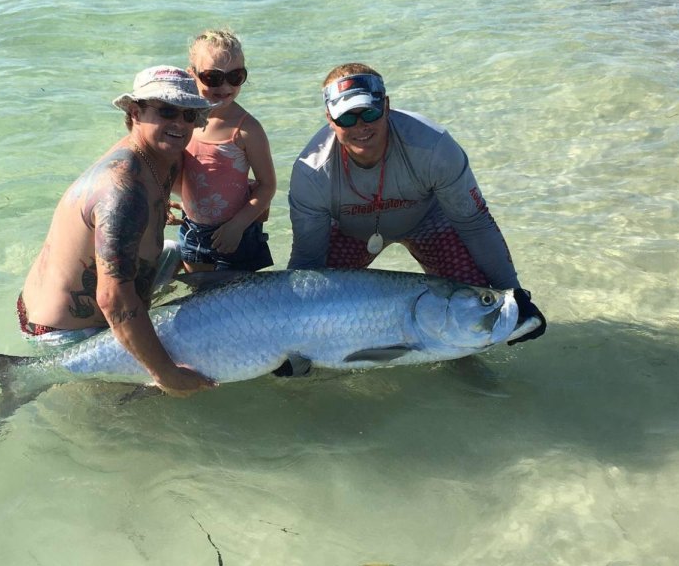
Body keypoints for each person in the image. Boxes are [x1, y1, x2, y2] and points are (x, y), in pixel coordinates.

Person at [287, 63, 546, 344]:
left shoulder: (433, 146)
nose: (360, 127)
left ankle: (463, 369)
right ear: (329, 117)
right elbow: (308, 265)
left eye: (370, 113)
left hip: (428, 222)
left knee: (475, 307)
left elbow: (474, 223)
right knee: (320, 315)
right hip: (351, 233)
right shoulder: (311, 172)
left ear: (386, 106)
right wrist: (286, 335)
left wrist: (515, 294)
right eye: (346, 118)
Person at [17, 66, 218, 397]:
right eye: (167, 111)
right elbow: (113, 298)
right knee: (152, 407)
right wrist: (166, 374)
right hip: (64, 334)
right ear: (135, 113)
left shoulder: (159, 156)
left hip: (56, 305)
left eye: (189, 114)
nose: (180, 124)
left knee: (179, 248)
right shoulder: (123, 186)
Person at [175, 28, 276, 272]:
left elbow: (267, 185)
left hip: (237, 232)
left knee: (241, 301)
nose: (225, 86)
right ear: (192, 75)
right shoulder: (182, 121)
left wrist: (238, 225)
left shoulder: (246, 129)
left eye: (235, 76)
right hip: (192, 229)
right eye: (213, 77)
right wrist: (170, 201)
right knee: (200, 297)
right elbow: (178, 170)